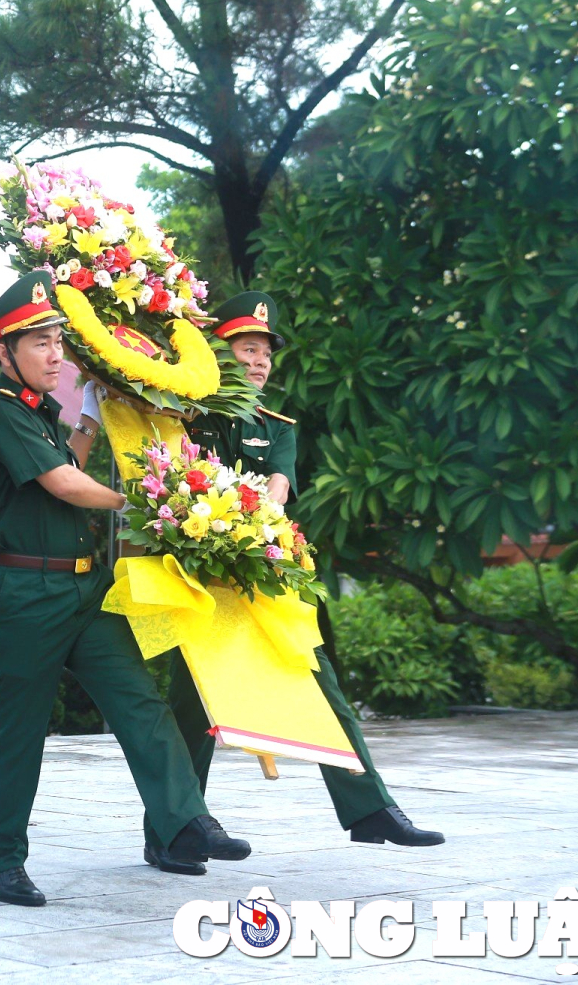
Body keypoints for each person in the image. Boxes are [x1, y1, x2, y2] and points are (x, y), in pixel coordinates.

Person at [126, 290, 442, 863]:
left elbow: (277, 487)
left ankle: (371, 808)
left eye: (265, 353)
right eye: (247, 349)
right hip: (195, 576)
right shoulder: (184, 413)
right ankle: (172, 832)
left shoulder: (277, 425)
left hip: (259, 570)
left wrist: (253, 519)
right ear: (221, 352)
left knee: (318, 678)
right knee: (195, 703)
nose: (259, 361)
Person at [0, 270, 250, 906]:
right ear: (3, 353)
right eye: (39, 343)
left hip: (82, 590)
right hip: (23, 592)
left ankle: (184, 822)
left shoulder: (41, 415)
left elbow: (73, 460)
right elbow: (65, 485)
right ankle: (1, 858)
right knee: (20, 731)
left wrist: (93, 413)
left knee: (138, 703)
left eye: (58, 341)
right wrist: (154, 503)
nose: (54, 353)